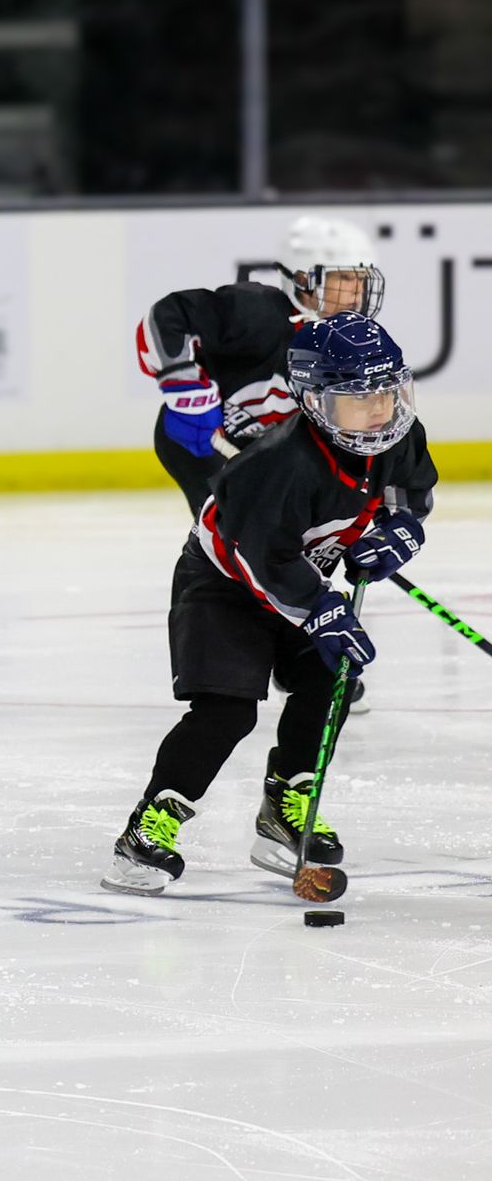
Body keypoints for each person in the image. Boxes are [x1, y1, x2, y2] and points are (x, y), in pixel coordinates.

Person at [101, 311, 435, 897]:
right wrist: (320, 608)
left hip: (297, 579)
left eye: (387, 390)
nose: (381, 408)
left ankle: (286, 805)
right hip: (225, 584)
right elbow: (260, 558)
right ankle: (150, 826)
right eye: (359, 398)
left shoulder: (399, 435)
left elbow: (410, 493)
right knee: (227, 711)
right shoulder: (278, 463)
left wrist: (401, 531)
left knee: (332, 676)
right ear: (313, 400)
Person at [136, 214, 386, 713]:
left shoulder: (345, 342)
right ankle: (239, 658)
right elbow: (165, 317)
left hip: (272, 457)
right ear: (300, 278)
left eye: (360, 281)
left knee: (307, 544)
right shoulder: (255, 311)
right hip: (205, 446)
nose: (354, 294)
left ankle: (309, 655)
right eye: (341, 280)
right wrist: (185, 385)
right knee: (243, 540)